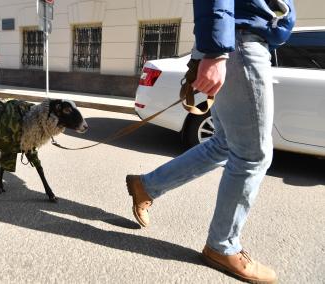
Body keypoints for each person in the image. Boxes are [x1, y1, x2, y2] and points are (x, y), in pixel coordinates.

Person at [126, 1, 295, 283]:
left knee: (226, 144)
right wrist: (217, 50)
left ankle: (147, 185)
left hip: (238, 38)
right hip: (238, 40)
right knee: (253, 155)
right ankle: (222, 246)